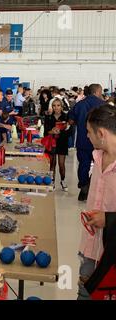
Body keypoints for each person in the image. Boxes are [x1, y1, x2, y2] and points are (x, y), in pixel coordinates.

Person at [77, 103, 116, 299]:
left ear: (101, 133)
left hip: (111, 255)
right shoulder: (97, 157)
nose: (86, 136)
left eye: (88, 132)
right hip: (90, 246)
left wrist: (108, 219)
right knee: (83, 293)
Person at [68, 84, 104, 201]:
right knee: (100, 165)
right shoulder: (103, 105)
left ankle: (84, 187)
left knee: (83, 164)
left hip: (83, 140)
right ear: (98, 91)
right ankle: (93, 187)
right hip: (100, 142)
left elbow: (71, 121)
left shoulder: (80, 104)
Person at [43, 98, 71, 191]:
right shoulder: (49, 117)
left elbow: (70, 132)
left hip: (62, 142)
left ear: (61, 106)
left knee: (61, 164)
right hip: (52, 143)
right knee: (52, 163)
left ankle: (63, 180)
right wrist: (52, 131)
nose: (56, 107)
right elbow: (45, 132)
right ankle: (52, 181)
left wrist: (63, 129)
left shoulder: (66, 117)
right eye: (54, 105)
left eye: (58, 105)